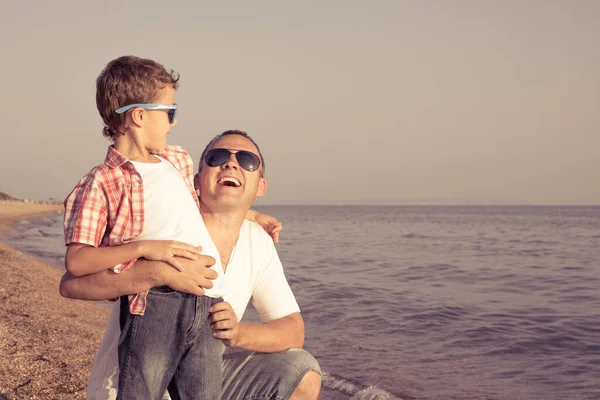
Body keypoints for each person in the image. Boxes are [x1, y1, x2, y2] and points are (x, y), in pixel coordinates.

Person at [63, 57, 281, 400]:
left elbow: (190, 206)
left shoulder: (176, 160)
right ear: (139, 116)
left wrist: (252, 214)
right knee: (141, 393)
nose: (173, 123)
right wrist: (143, 248)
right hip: (155, 306)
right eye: (169, 113)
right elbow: (77, 263)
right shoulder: (102, 182)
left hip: (208, 300)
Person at [60, 130, 322, 400]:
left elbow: (293, 330)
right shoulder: (166, 219)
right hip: (132, 386)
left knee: (301, 372)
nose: (231, 164)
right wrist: (153, 273)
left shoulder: (258, 242)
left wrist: (236, 333)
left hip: (201, 381)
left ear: (261, 187)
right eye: (217, 157)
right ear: (195, 181)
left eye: (247, 160)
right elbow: (71, 284)